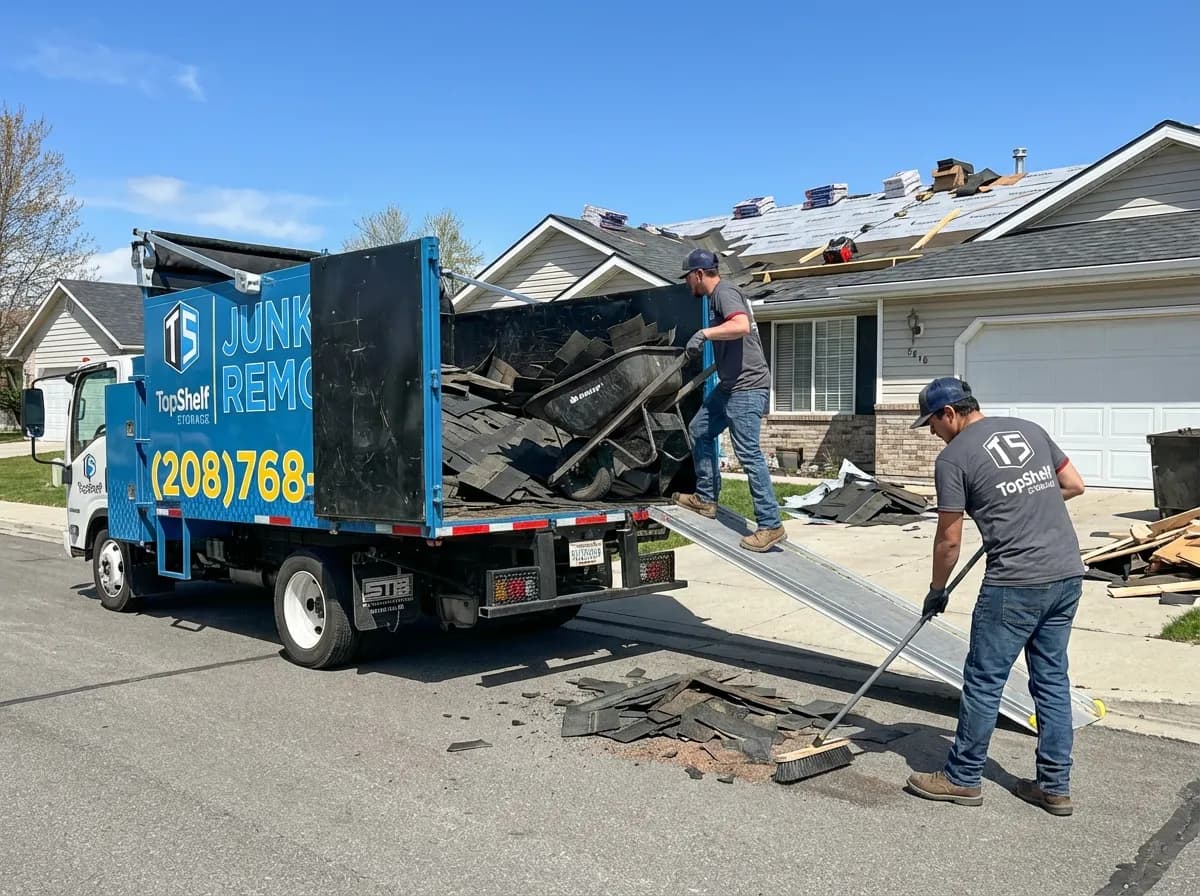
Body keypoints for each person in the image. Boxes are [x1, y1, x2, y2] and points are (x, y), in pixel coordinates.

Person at [903, 377, 1087, 816]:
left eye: (932, 422)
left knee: (985, 681)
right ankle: (1054, 786)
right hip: (1066, 574)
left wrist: (936, 590)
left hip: (1016, 583)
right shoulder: (1030, 429)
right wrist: (1021, 508)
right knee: (1052, 681)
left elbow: (948, 539)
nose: (931, 433)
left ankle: (962, 778)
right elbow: (1074, 485)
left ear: (950, 413)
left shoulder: (954, 458)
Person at [672, 248, 785, 552]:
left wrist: (704, 334)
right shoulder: (716, 298)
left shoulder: (724, 292)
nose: (687, 285)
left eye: (687, 278)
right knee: (700, 429)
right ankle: (706, 498)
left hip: (747, 387)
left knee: (749, 454)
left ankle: (770, 525)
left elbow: (741, 325)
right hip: (730, 386)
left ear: (698, 274)